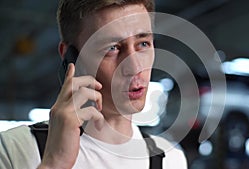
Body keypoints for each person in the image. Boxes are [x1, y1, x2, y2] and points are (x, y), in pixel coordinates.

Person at [0, 0, 187, 169]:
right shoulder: (13, 149)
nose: (134, 66)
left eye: (143, 44)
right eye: (112, 48)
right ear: (70, 56)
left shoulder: (170, 159)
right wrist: (55, 163)